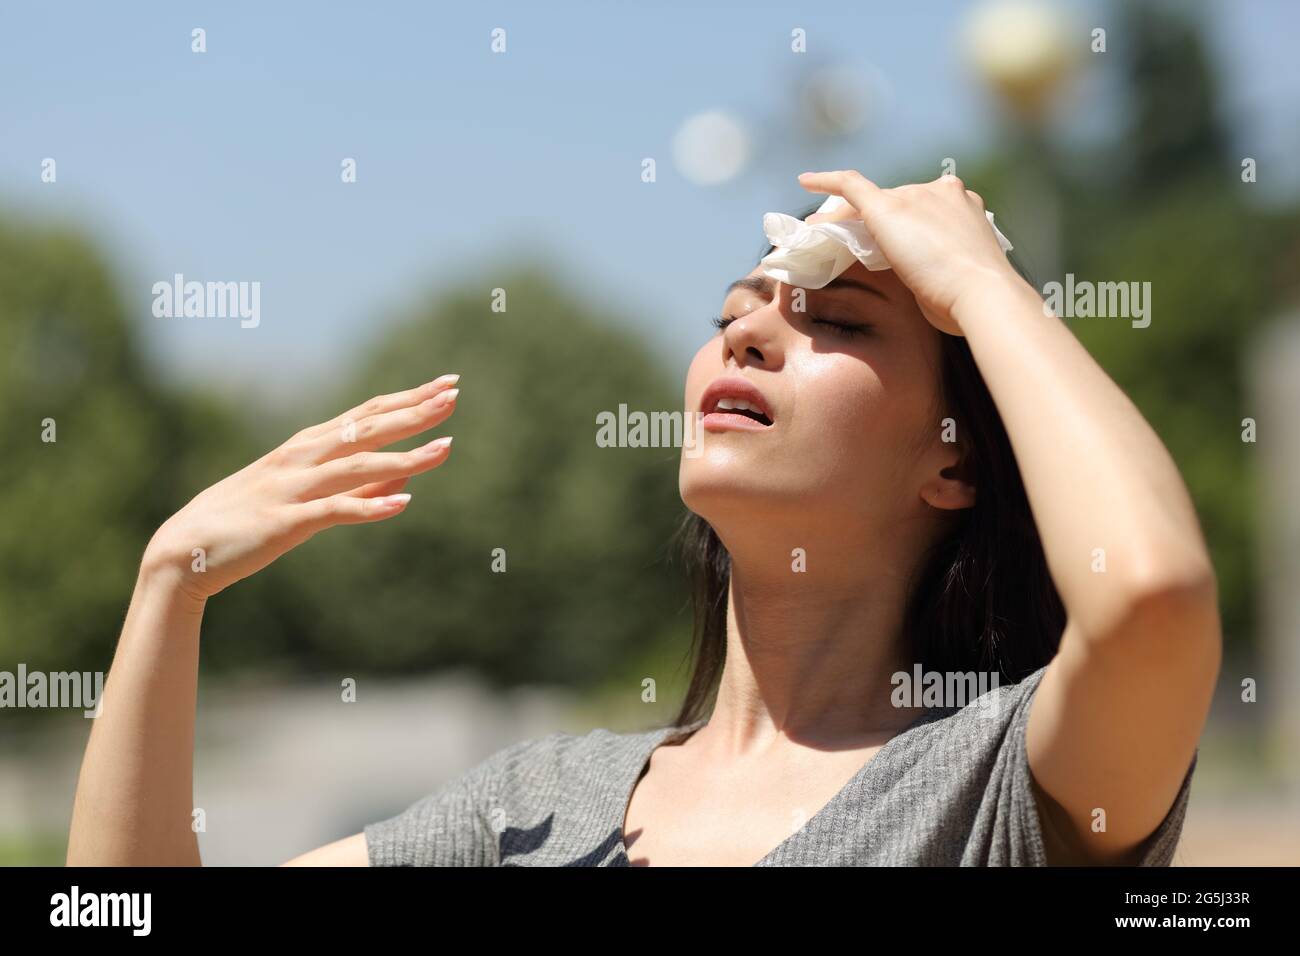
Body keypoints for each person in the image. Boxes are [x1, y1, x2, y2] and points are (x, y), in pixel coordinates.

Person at [67, 170, 1220, 866]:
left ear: (955, 464)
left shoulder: (998, 783)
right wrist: (171, 584)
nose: (749, 333)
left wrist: (979, 279)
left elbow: (1149, 594)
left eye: (847, 323)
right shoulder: (531, 806)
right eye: (733, 310)